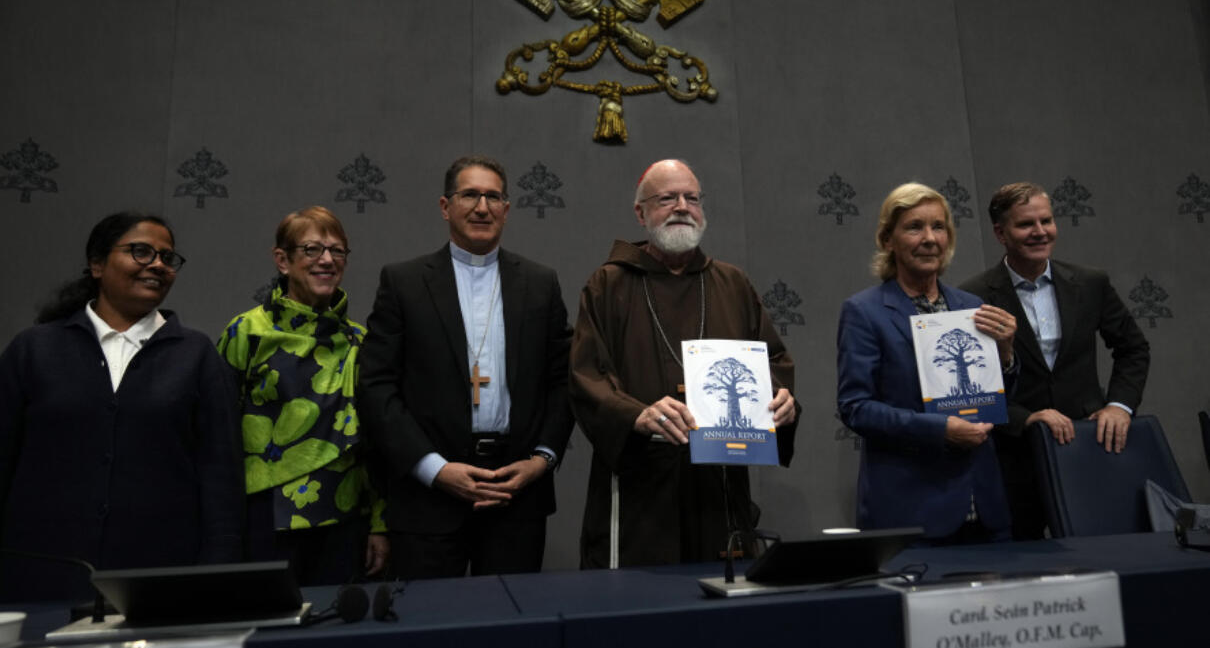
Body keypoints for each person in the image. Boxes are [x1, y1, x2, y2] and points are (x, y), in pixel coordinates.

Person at [0, 212, 243, 602]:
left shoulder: (196, 354)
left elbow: (221, 475)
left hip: (158, 581)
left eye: (166, 258)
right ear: (97, 264)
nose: (157, 264)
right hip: (39, 577)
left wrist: (216, 575)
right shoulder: (34, 349)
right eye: (140, 252)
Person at [570, 159, 799, 568]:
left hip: (719, 483)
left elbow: (774, 361)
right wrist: (636, 416)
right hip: (644, 480)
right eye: (667, 198)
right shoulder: (608, 284)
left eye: (691, 198)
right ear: (641, 213)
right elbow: (588, 374)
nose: (681, 206)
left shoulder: (732, 283)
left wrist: (783, 400)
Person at [356, 155, 573, 578]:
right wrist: (434, 469)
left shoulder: (540, 283)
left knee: (514, 626)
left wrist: (541, 459)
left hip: (517, 490)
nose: (482, 207)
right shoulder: (403, 282)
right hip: (428, 497)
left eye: (493, 197)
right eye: (469, 195)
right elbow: (376, 387)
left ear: (506, 210)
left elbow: (563, 380)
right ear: (445, 206)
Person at [959, 182, 1150, 539]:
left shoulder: (1090, 283)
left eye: (1046, 220)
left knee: (1103, 558)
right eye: (1026, 224)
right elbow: (973, 386)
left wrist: (1120, 406)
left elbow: (1133, 349)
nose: (1040, 232)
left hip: (1089, 448)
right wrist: (1026, 417)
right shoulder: (973, 296)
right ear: (1001, 233)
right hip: (1014, 457)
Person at [837, 183, 1018, 544]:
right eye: (914, 227)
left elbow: (999, 401)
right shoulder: (864, 312)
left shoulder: (971, 306)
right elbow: (855, 408)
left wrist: (1007, 354)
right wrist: (939, 429)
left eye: (939, 227)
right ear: (888, 239)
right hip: (910, 512)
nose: (930, 238)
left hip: (984, 508)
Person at [218, 206, 389, 585]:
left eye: (338, 251)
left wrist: (380, 524)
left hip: (346, 516)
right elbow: (217, 436)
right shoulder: (246, 332)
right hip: (264, 515)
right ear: (283, 259)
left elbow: (377, 443)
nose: (327, 260)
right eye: (312, 249)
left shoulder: (360, 341)